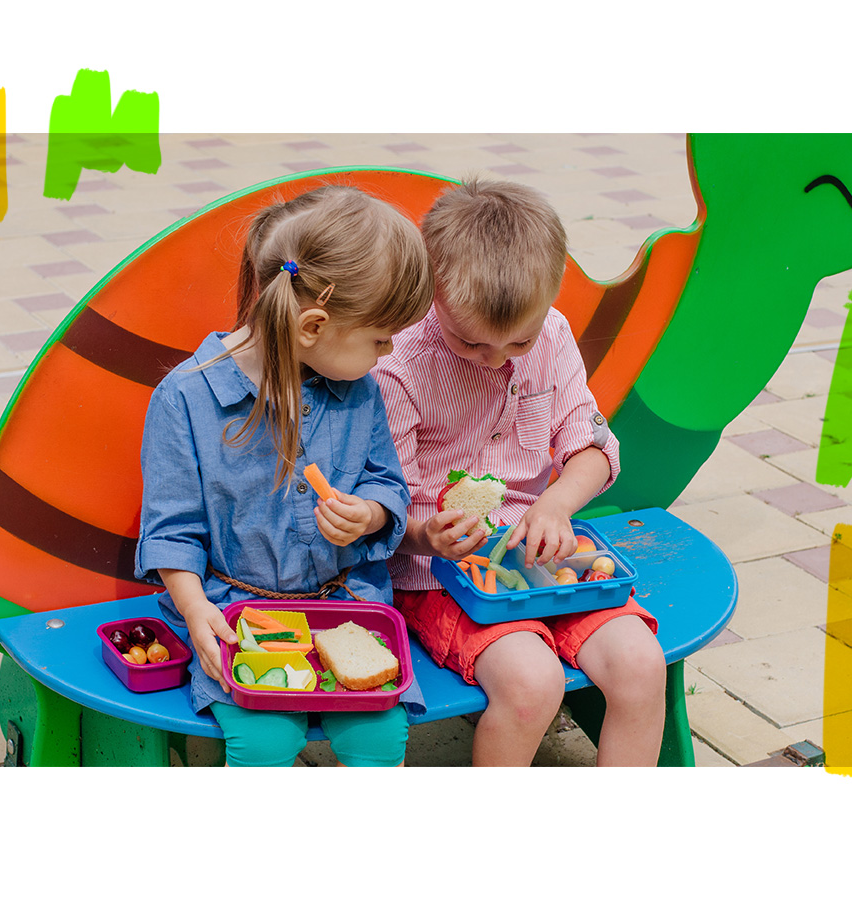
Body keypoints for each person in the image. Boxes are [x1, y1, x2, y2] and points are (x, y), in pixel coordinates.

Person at [136, 184, 434, 767]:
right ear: (313, 326)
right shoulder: (185, 400)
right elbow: (173, 531)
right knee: (265, 741)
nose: (388, 353)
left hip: (345, 605)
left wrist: (370, 514)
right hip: (233, 610)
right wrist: (195, 611)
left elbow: (386, 482)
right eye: (380, 339)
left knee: (378, 738)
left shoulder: (359, 390)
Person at [373, 178, 666, 767]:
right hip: (440, 575)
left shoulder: (552, 335)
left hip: (547, 556)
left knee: (641, 665)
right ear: (433, 291)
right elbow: (385, 505)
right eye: (471, 343)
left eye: (518, 342)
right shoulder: (399, 363)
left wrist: (556, 504)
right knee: (532, 685)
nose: (497, 358)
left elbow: (592, 450)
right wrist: (425, 535)